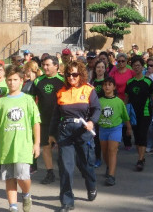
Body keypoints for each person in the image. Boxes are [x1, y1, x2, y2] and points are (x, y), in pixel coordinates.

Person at [49, 61, 101, 212]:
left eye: (75, 74)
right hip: (65, 133)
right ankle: (67, 202)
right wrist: (51, 135)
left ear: (81, 75)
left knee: (86, 165)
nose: (71, 77)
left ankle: (91, 185)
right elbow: (55, 115)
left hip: (83, 132)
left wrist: (92, 121)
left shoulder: (89, 90)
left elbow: (97, 109)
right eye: (68, 74)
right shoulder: (61, 92)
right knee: (66, 168)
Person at [0, 65, 41, 212]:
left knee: (22, 176)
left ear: (21, 81)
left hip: (23, 146)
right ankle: (13, 207)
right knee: (10, 178)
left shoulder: (28, 100)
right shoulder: (1, 102)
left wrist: (37, 143)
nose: (11, 83)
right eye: (9, 80)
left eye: (15, 80)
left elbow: (36, 123)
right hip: (6, 146)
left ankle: (26, 194)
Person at [29, 55, 64, 185]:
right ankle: (50, 173)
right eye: (43, 65)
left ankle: (64, 170)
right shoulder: (38, 81)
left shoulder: (63, 80)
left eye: (48, 65)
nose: (45, 67)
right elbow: (32, 99)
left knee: (62, 147)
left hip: (60, 120)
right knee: (46, 146)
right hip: (43, 119)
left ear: (56, 66)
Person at [125, 56, 153, 171]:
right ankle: (141, 156)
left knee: (142, 134)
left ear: (142, 67)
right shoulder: (130, 82)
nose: (136, 68)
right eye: (134, 66)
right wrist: (124, 113)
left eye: (139, 65)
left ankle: (140, 159)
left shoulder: (148, 81)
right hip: (133, 114)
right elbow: (126, 99)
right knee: (136, 137)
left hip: (146, 113)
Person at [98, 76, 132, 186]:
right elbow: (94, 115)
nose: (107, 86)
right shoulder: (99, 101)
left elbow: (125, 116)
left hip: (115, 129)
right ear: (103, 87)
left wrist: (129, 128)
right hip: (103, 129)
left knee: (112, 150)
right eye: (105, 85)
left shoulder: (119, 102)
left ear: (114, 87)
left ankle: (111, 176)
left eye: (109, 84)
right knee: (104, 152)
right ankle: (109, 166)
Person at [108, 53, 135, 150]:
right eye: (119, 61)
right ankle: (117, 141)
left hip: (128, 101)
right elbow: (109, 83)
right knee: (117, 122)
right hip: (117, 100)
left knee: (127, 121)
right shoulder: (114, 73)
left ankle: (128, 141)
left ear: (126, 61)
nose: (121, 63)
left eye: (123, 61)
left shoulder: (131, 72)